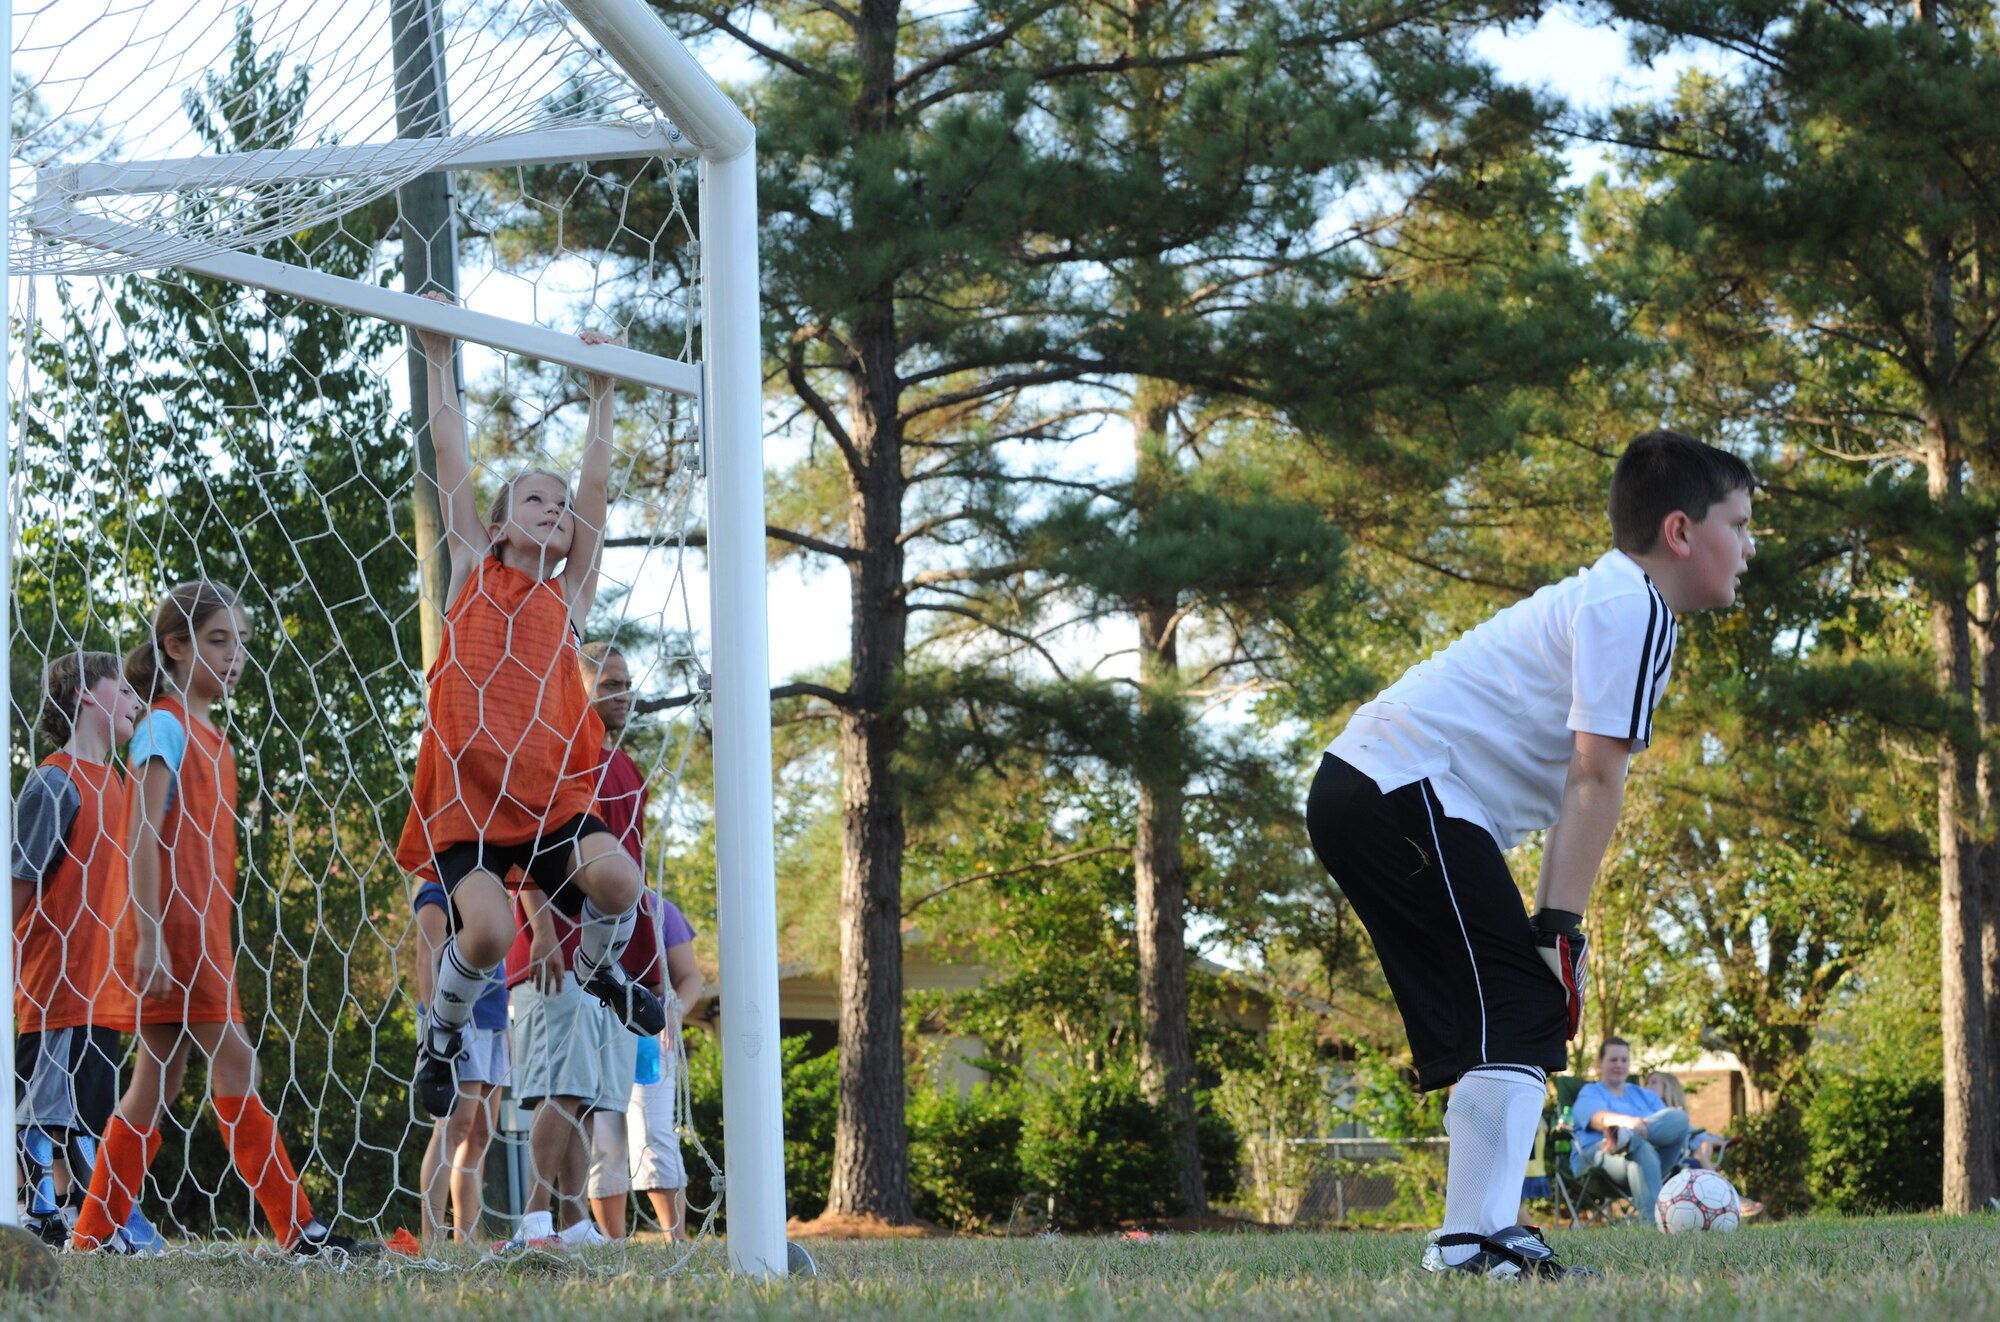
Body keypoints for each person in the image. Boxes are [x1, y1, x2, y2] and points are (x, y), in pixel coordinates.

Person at [1305, 430, 1754, 1279]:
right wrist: (1556, 927)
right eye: (1740, 522)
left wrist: (1552, 929)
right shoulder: (1631, 606)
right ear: (1681, 532)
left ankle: (1483, 1235)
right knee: (1517, 1005)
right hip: (1401, 783)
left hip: (1388, 789)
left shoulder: (1616, 601)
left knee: (1508, 1015)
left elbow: (1580, 787)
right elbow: (1593, 779)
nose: (1750, 547)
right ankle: (1473, 1242)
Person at [394, 295, 663, 1123]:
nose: (559, 510)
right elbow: (450, 458)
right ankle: (440, 1038)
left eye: (562, 507)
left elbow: (598, 487)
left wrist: (604, 391)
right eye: (538, 502)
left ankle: (596, 970)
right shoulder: (477, 569)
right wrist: (438, 352)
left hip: (549, 798)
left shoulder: (568, 597)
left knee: (621, 880)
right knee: (484, 937)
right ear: (504, 524)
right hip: (470, 802)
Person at [71, 583, 375, 1256]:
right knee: (234, 1060)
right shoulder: (164, 725)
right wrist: (149, 933)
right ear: (176, 646)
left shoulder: (215, 738)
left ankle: (90, 1236)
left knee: (158, 1081)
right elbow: (143, 832)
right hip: (170, 933)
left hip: (201, 931)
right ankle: (299, 1231)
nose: (234, 655)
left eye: (240, 641)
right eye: (217, 639)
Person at [13, 652, 142, 1245]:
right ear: (87, 696)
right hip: (55, 988)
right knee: (43, 1112)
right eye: (125, 690)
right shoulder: (53, 782)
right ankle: (44, 1216)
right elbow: (17, 891)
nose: (137, 703)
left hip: (104, 988)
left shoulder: (115, 782)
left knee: (89, 1109)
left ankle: (80, 1219)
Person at [414, 880, 508, 1248]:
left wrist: (506, 1031)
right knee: (454, 1127)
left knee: (481, 1133)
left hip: (494, 1023)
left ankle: (466, 1237)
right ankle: (432, 1238)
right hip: (457, 1024)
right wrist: (438, 1032)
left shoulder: (490, 883)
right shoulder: (436, 887)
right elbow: (427, 957)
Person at [1571, 1038, 1689, 1216]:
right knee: (1642, 1147)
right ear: (1600, 1063)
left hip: (1651, 1160)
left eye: (1624, 1060)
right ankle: (1654, 1225)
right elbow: (1598, 1119)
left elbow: (1670, 1125)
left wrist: (1709, 1140)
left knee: (1680, 1118)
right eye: (1613, 1059)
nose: (1619, 1064)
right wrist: (1630, 1122)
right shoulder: (1590, 1092)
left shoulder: (1644, 1095)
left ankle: (1627, 1138)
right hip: (1598, 1156)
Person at [1644, 1069, 1762, 1218]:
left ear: (1669, 1088)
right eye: (1647, 1082)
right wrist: (1708, 1142)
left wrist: (1710, 1141)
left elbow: (1694, 1133)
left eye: (1653, 1082)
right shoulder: (1644, 1113)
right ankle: (1731, 1198)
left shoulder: (1675, 1115)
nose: (1647, 1086)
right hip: (1658, 1163)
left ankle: (1729, 1198)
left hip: (1679, 1161)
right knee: (1697, 1156)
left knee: (1697, 1155)